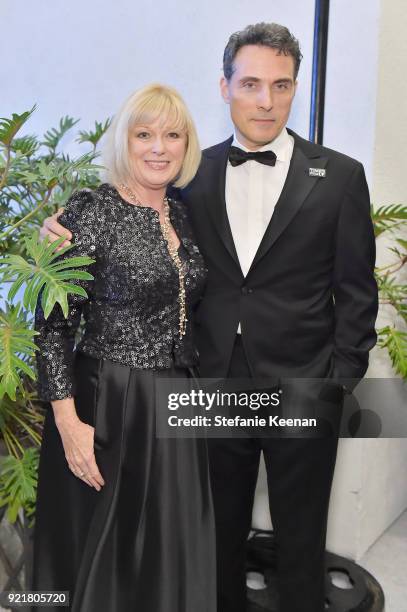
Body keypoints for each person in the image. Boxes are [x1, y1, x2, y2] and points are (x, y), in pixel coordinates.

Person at [41, 22, 379, 612]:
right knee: (211, 535)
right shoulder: (190, 176)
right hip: (207, 384)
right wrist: (57, 235)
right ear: (224, 88)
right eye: (250, 83)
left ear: (297, 88)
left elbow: (355, 289)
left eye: (280, 85)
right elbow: (121, 235)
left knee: (301, 536)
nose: (265, 100)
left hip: (303, 384)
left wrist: (338, 381)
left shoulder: (341, 176)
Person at [33, 83, 216, 612]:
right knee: (107, 554)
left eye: (172, 135)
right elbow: (52, 326)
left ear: (187, 145)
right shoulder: (91, 211)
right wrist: (68, 425)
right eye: (144, 134)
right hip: (110, 402)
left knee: (170, 548)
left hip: (177, 403)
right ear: (124, 141)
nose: (158, 147)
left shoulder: (179, 213)